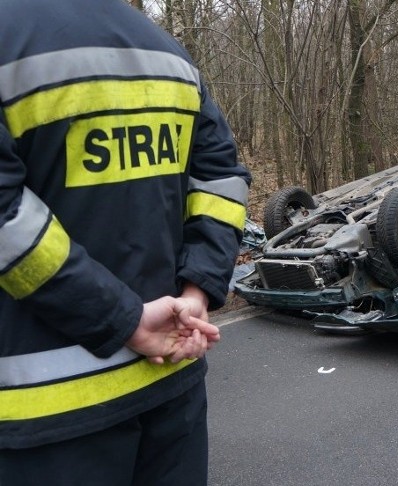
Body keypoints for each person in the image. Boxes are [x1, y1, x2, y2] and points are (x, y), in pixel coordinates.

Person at [0, 1, 251, 484]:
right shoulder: (168, 53)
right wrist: (195, 292)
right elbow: (221, 179)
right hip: (172, 388)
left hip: (47, 415)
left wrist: (125, 320)